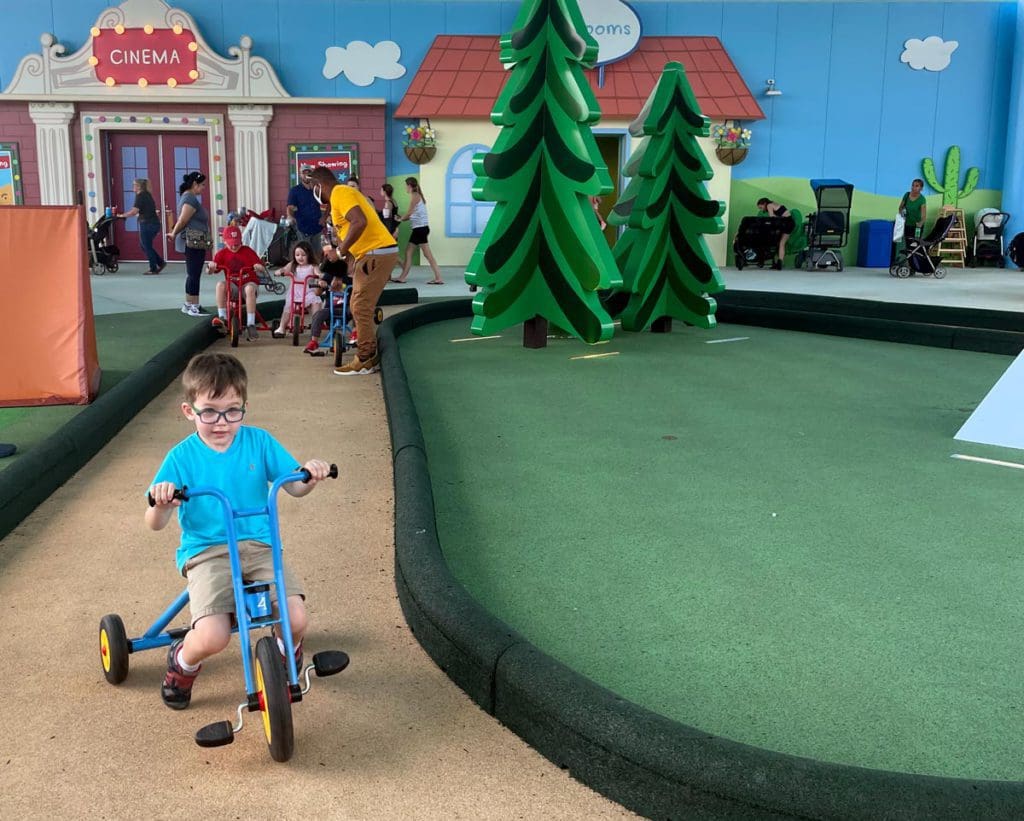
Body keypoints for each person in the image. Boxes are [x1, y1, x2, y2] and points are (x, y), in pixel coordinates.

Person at [146, 352, 332, 709]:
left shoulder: (258, 441)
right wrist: (162, 503)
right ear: (190, 411)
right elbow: (153, 523)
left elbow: (293, 485)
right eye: (210, 412)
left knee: (295, 618)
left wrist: (310, 474)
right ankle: (182, 663)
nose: (221, 422)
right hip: (208, 553)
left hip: (259, 547)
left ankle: (285, 651)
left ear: (244, 406)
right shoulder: (180, 458)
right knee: (214, 636)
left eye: (232, 410)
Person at [309, 166, 399, 375]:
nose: (314, 193)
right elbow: (351, 235)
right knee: (358, 304)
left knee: (360, 306)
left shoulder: (341, 192)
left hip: (376, 253)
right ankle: (368, 354)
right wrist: (341, 267)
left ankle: (366, 358)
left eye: (314, 187)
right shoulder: (337, 202)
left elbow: (360, 221)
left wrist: (339, 252)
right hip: (370, 255)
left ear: (320, 185)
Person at [208, 225, 266, 341]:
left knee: (249, 288)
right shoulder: (221, 254)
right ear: (224, 241)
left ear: (241, 241)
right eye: (231, 243)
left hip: (248, 284)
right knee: (220, 285)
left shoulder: (248, 251)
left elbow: (262, 268)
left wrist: (259, 267)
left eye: (237, 243)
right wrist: (211, 267)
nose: (234, 246)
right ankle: (222, 318)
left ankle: (250, 324)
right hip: (233, 287)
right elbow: (210, 270)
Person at [167, 171, 211, 316]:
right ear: (194, 184)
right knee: (194, 274)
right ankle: (194, 306)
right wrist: (173, 234)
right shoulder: (190, 199)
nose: (204, 188)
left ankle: (188, 304)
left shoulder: (189, 198)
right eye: (202, 185)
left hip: (194, 241)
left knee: (192, 273)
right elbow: (183, 220)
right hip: (193, 241)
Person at [390, 177, 444, 285]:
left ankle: (403, 277)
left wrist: (400, 219)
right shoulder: (417, 196)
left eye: (406, 185)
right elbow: (413, 215)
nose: (405, 187)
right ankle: (438, 278)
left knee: (414, 253)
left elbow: (409, 213)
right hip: (421, 228)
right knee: (420, 254)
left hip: (420, 229)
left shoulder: (415, 196)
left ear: (409, 186)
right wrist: (402, 218)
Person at [273, 240, 321, 337]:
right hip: (295, 291)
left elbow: (318, 273)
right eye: (297, 255)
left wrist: (320, 276)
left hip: (308, 291)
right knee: (288, 308)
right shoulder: (293, 265)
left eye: (303, 255)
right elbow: (284, 270)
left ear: (309, 255)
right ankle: (282, 328)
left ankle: (316, 324)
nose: (300, 257)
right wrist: (280, 272)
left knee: (316, 302)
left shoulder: (312, 266)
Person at [119, 178, 165, 275]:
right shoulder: (146, 195)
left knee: (146, 246)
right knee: (144, 245)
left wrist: (122, 215)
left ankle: (153, 268)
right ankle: (160, 262)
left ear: (139, 186)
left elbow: (134, 211)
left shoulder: (140, 196)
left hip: (148, 224)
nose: (133, 187)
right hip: (152, 223)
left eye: (134, 185)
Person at [286, 164, 323, 247]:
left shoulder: (317, 189)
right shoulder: (295, 190)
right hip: (302, 228)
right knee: (305, 253)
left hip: (318, 228)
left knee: (318, 255)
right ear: (300, 175)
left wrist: (326, 217)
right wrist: (290, 216)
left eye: (308, 172)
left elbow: (327, 203)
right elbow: (290, 207)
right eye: (304, 173)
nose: (306, 175)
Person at [756, 197, 796, 270]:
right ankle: (779, 263)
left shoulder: (769, 205)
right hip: (790, 222)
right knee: (781, 243)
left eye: (761, 207)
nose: (762, 210)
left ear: (764, 204)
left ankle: (769, 261)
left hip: (784, 223)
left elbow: (772, 218)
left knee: (773, 240)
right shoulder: (774, 203)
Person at [899, 178, 928, 244]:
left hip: (917, 227)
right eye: (913, 185)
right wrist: (902, 214)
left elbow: (924, 216)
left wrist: (920, 223)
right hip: (907, 225)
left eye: (917, 186)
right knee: (908, 244)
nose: (913, 187)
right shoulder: (906, 195)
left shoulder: (922, 199)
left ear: (921, 188)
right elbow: (900, 208)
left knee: (915, 246)